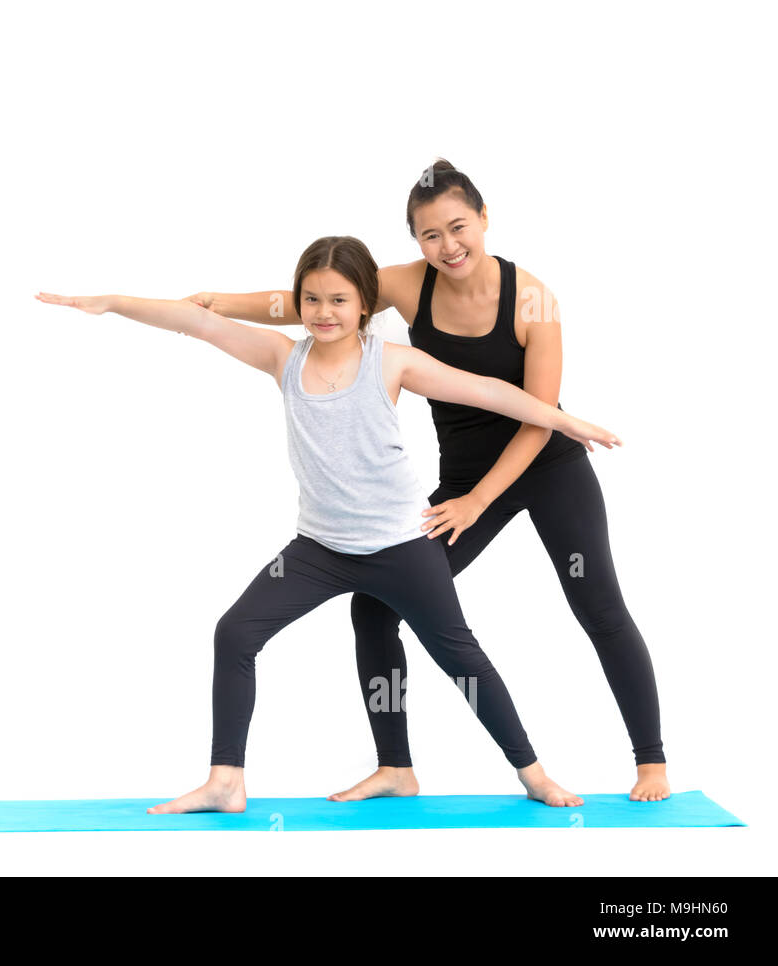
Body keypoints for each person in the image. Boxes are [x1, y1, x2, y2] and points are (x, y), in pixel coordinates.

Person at [36, 234, 619, 814]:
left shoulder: (391, 362)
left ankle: (535, 774)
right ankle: (225, 780)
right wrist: (112, 303)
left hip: (400, 546)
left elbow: (489, 391)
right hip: (319, 548)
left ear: (365, 302)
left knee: (461, 660)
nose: (323, 313)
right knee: (235, 633)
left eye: (338, 300)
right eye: (311, 300)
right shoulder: (281, 358)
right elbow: (198, 322)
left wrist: (565, 422)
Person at [191, 160, 669, 803]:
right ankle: (396, 767)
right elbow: (313, 301)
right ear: (414, 239)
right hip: (463, 477)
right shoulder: (409, 285)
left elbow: (534, 414)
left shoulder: (533, 299)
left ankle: (651, 762)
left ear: (484, 219)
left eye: (458, 227)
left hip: (548, 466)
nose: (449, 247)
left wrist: (476, 502)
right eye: (430, 235)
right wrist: (216, 305)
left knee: (598, 607)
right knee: (376, 605)